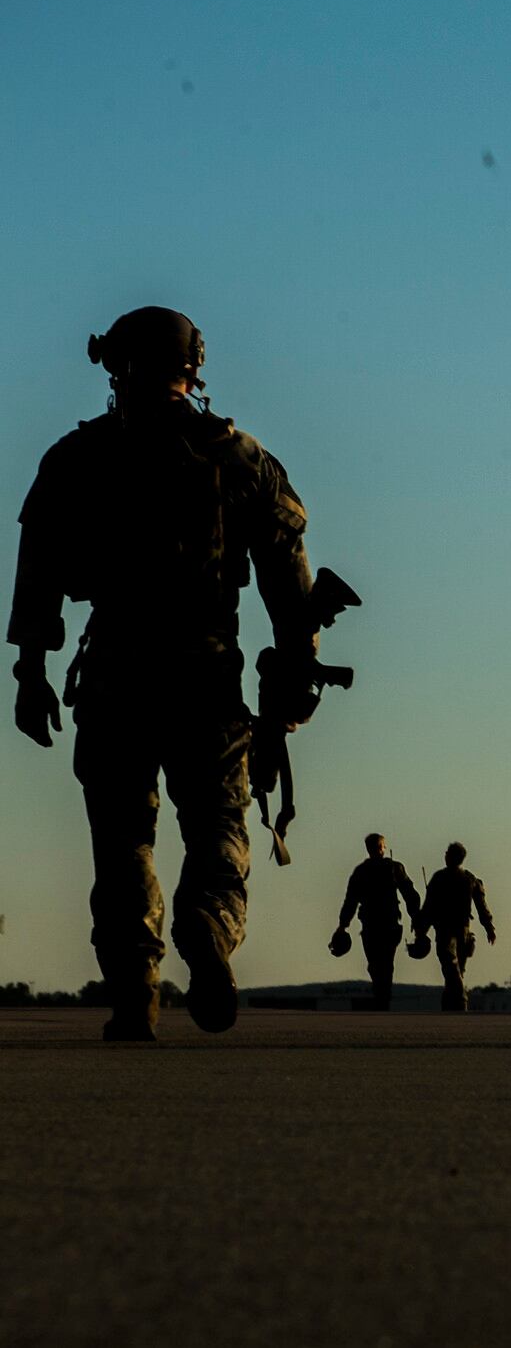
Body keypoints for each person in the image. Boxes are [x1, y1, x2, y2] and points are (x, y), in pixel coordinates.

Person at [9, 307, 329, 1041]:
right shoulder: (240, 457)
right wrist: (297, 667)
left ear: (114, 366)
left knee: (122, 837)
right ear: (195, 367)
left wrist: (31, 670)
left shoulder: (75, 458)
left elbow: (39, 574)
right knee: (219, 822)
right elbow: (289, 569)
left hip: (117, 676)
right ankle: (209, 928)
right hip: (207, 675)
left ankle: (136, 993)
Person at [334, 833, 425, 1009]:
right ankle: (383, 997)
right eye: (379, 846)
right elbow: (410, 895)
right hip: (383, 924)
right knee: (382, 963)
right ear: (380, 848)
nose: (380, 849)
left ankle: (382, 998)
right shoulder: (391, 868)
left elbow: (350, 901)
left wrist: (342, 926)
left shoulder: (365, 871)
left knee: (378, 963)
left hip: (375, 925)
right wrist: (416, 918)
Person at [422, 842, 495, 1011]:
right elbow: (482, 907)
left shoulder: (442, 878)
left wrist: (422, 927)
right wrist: (488, 927)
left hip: (449, 929)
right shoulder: (469, 879)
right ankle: (452, 1007)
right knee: (454, 969)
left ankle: (459, 1001)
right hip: (461, 930)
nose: (445, 856)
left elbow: (429, 906)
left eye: (448, 853)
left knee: (451, 966)